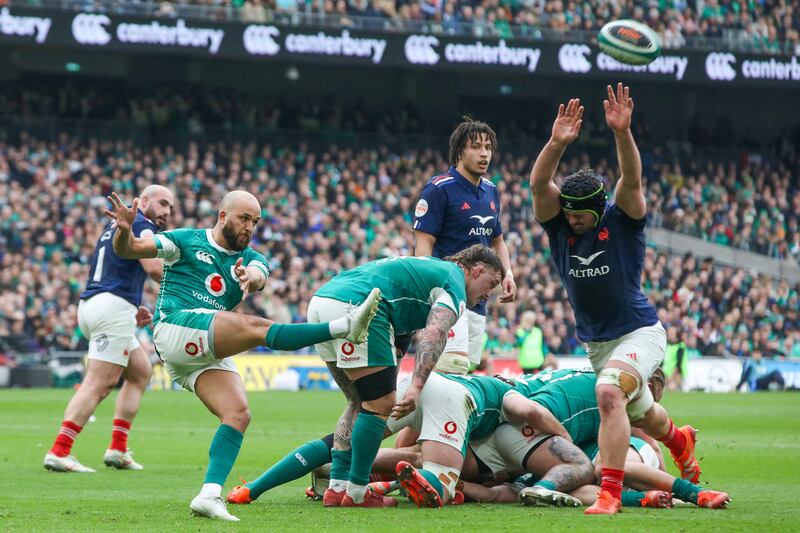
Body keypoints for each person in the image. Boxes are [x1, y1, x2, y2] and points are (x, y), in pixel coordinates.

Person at [103, 189, 381, 521]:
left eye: (255, 221)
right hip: (175, 326)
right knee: (256, 326)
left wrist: (252, 276)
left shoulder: (252, 258)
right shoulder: (184, 241)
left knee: (238, 414)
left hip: (199, 347)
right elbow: (131, 250)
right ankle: (345, 326)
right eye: (243, 218)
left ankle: (209, 495)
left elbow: (260, 275)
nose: (249, 227)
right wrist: (124, 230)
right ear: (223, 216)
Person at [529, 84, 701, 515]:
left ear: (598, 208)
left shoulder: (622, 221)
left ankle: (608, 493)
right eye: (566, 212)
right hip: (600, 345)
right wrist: (557, 142)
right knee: (647, 417)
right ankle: (681, 439)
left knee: (607, 395)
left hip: (640, 332)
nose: (571, 219)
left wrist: (623, 133)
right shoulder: (560, 228)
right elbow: (538, 184)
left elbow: (633, 179)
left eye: (579, 214)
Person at [226, 245, 505, 508]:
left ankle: (337, 488)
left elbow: (402, 329)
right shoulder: (453, 282)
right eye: (490, 285)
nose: (487, 295)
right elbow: (435, 334)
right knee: (381, 405)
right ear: (476, 270)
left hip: (324, 301)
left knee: (358, 402)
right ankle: (358, 492)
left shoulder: (427, 272)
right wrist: (416, 387)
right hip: (359, 307)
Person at [44, 185, 174, 474]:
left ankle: (117, 448)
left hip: (95, 304)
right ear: (143, 201)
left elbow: (117, 269)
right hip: (112, 309)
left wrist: (134, 303)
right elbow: (153, 268)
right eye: (162, 203)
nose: (166, 211)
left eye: (171, 207)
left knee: (140, 371)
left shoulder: (114, 226)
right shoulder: (143, 225)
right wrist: (187, 280)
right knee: (99, 383)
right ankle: (59, 451)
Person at [412, 118, 517, 374]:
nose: (484, 153)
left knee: (466, 368)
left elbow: (497, 241)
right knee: (448, 367)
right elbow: (423, 244)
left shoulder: (491, 191)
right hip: (447, 294)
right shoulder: (439, 189)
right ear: (460, 150)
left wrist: (508, 273)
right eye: (476, 147)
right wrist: (430, 293)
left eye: (488, 147)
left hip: (477, 300)